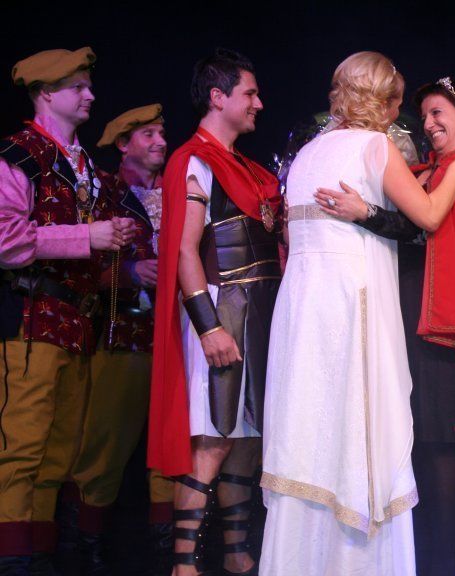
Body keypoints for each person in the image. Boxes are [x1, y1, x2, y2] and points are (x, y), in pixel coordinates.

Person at [313, 74, 455, 575]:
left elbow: (426, 233)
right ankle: (416, 557)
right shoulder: (434, 171)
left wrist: (366, 213)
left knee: (440, 446)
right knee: (419, 445)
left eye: (437, 113)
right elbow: (414, 224)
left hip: (441, 329)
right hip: (413, 320)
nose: (428, 124)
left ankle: (441, 562)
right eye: (424, 115)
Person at [0, 47, 135, 574]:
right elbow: (6, 240)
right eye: (77, 86)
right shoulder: (19, 154)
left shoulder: (88, 171)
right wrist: (88, 236)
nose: (90, 95)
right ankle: (13, 559)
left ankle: (38, 553)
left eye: (88, 85)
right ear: (45, 93)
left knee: (60, 451)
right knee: (21, 446)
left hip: (78, 322)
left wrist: (114, 243)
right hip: (32, 316)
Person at [148, 48, 282, 576]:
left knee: (245, 442)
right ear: (218, 96)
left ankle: (235, 551)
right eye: (250, 93)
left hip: (257, 317)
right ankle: (184, 564)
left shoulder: (246, 168)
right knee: (211, 440)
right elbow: (185, 252)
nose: (258, 103)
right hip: (220, 311)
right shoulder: (195, 161)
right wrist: (209, 328)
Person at [55, 104, 175, 575]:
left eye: (162, 133)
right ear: (124, 144)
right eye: (148, 135)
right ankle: (83, 542)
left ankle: (169, 545)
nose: (160, 142)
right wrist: (129, 273)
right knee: (104, 441)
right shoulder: (103, 190)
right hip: (123, 332)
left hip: (176, 335)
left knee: (172, 443)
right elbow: (80, 264)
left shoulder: (180, 191)